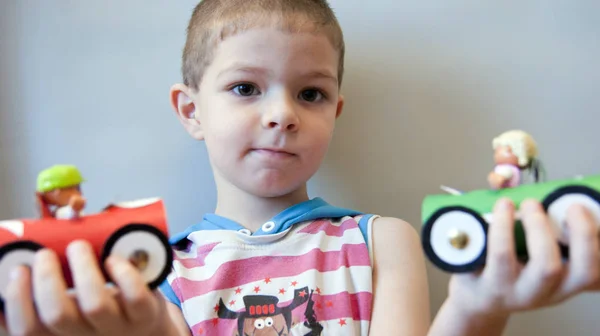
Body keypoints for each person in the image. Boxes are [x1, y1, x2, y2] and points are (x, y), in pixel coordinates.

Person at [2, 1, 599, 335]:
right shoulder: (159, 273)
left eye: (310, 95)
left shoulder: (380, 242)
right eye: (244, 88)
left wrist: (479, 305)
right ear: (191, 111)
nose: (282, 114)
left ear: (335, 110)